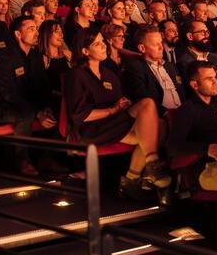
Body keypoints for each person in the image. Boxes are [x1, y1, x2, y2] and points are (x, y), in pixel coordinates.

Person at [64, 28, 170, 200]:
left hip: (115, 121)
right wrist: (112, 110)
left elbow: (116, 102)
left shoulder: (110, 75)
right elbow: (80, 115)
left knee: (161, 124)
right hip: (93, 128)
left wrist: (122, 105)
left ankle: (131, 179)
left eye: (102, 42)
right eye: (97, 44)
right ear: (85, 51)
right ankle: (152, 163)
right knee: (148, 104)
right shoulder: (76, 75)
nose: (103, 46)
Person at [167, 61, 217, 197]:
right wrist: (206, 148)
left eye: (215, 78)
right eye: (209, 79)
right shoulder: (188, 109)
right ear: (195, 85)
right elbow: (173, 147)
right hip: (207, 168)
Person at [0, 16, 57, 151]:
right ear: (18, 34)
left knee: (60, 107)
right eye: (31, 29)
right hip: (5, 106)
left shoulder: (36, 55)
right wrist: (38, 112)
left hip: (32, 103)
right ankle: (21, 158)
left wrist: (46, 106)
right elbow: (8, 94)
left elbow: (43, 85)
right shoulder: (6, 56)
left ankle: (48, 157)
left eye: (37, 28)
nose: (37, 33)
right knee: (27, 114)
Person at [121, 25, 184, 115]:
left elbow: (182, 91)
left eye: (161, 43)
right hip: (159, 116)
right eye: (156, 44)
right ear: (142, 48)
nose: (161, 48)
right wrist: (167, 114)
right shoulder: (134, 68)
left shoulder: (169, 66)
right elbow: (142, 98)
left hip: (183, 112)